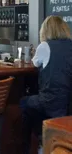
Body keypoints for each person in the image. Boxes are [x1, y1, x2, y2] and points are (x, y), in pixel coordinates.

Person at [21, 16, 72, 154]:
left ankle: (29, 146)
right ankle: (43, 139)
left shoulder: (45, 46)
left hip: (51, 102)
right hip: (68, 106)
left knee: (24, 103)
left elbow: (34, 63)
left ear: (46, 30)